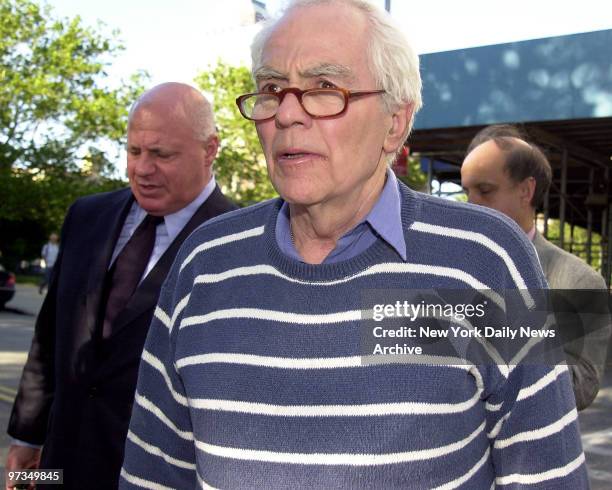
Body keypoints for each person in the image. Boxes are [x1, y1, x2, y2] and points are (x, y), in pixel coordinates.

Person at [121, 1, 588, 488]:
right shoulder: (204, 264)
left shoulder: (484, 260)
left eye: (325, 88)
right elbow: (151, 473)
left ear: (395, 121)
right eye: (272, 88)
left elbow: (547, 473)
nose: (286, 113)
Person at [5, 82, 237, 490]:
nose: (142, 168)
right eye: (134, 151)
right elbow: (49, 335)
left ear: (210, 149)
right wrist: (27, 437)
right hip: (57, 468)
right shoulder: (86, 216)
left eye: (162, 154)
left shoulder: (239, 243)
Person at [461, 124, 611, 410]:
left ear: (526, 190)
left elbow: (583, 383)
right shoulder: (444, 266)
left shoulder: (578, 281)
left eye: (485, 191)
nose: (471, 204)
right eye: (467, 190)